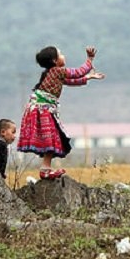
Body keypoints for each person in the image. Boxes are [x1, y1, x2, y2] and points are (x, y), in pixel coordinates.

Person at [17, 45, 105, 179]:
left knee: (52, 139)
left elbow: (72, 81)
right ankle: (45, 171)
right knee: (51, 139)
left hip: (42, 110)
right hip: (42, 110)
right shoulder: (57, 71)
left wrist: (89, 77)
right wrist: (89, 60)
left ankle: (45, 170)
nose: (63, 56)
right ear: (54, 60)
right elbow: (78, 72)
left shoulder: (53, 73)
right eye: (60, 54)